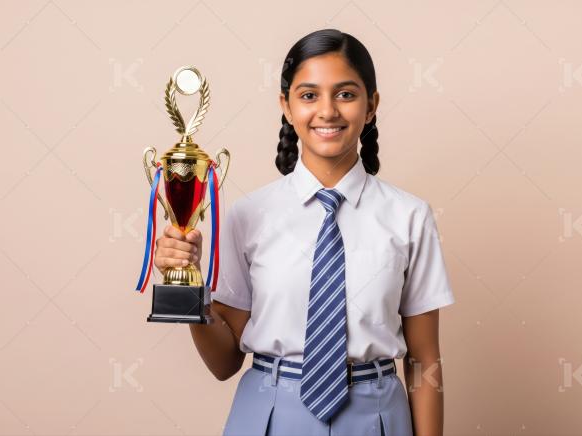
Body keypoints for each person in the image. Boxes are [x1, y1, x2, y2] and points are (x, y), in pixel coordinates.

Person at [154, 28, 455, 436]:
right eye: (309, 95)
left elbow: (423, 360)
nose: (327, 111)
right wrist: (189, 285)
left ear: (371, 106)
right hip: (268, 414)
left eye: (346, 94)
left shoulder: (410, 216)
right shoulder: (247, 215)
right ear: (287, 106)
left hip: (376, 417)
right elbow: (224, 364)